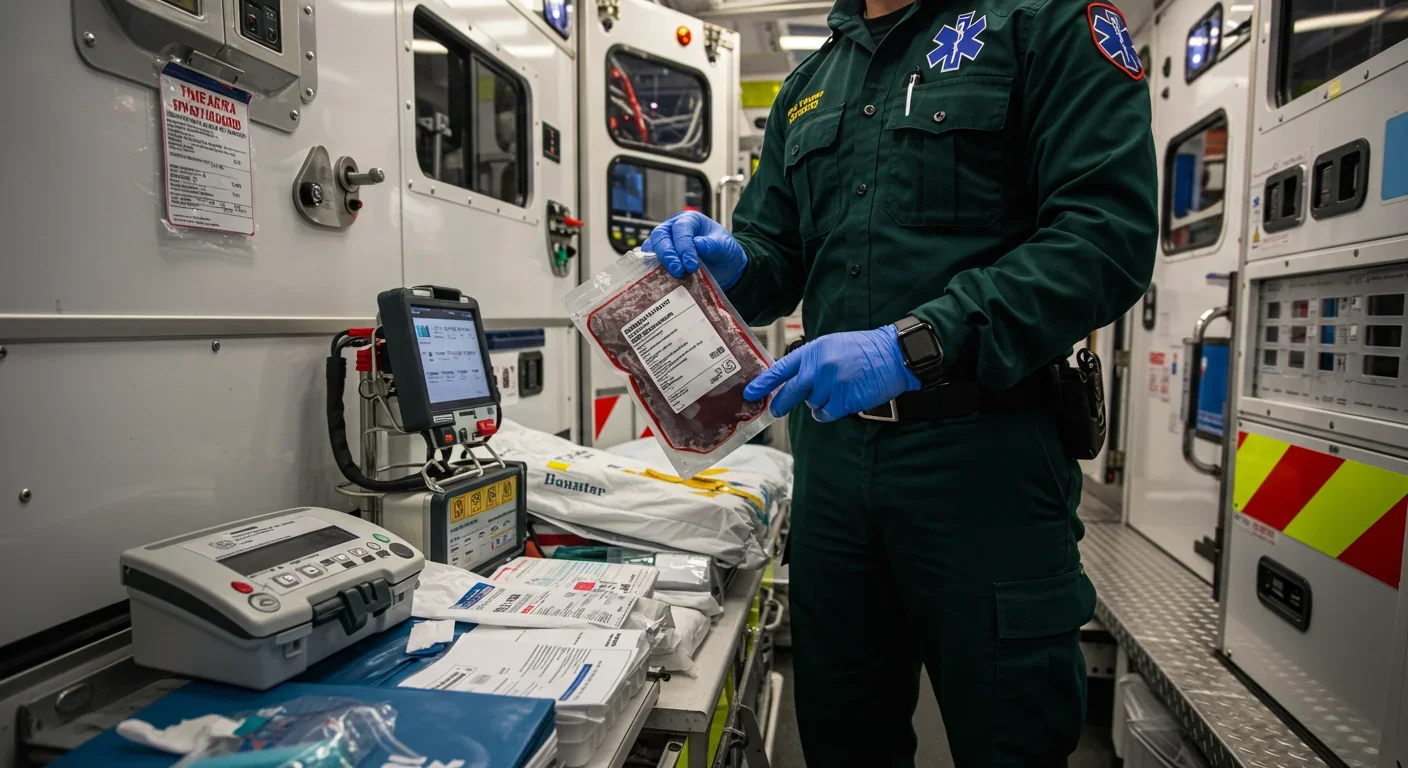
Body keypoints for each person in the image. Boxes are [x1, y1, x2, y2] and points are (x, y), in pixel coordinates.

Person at [642, 0, 1156, 760]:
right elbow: (776, 255)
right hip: (836, 471)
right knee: (844, 736)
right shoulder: (812, 83)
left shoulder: (1042, 23)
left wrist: (913, 344)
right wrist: (736, 261)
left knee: (1011, 737)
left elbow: (1103, 237)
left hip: (987, 463)